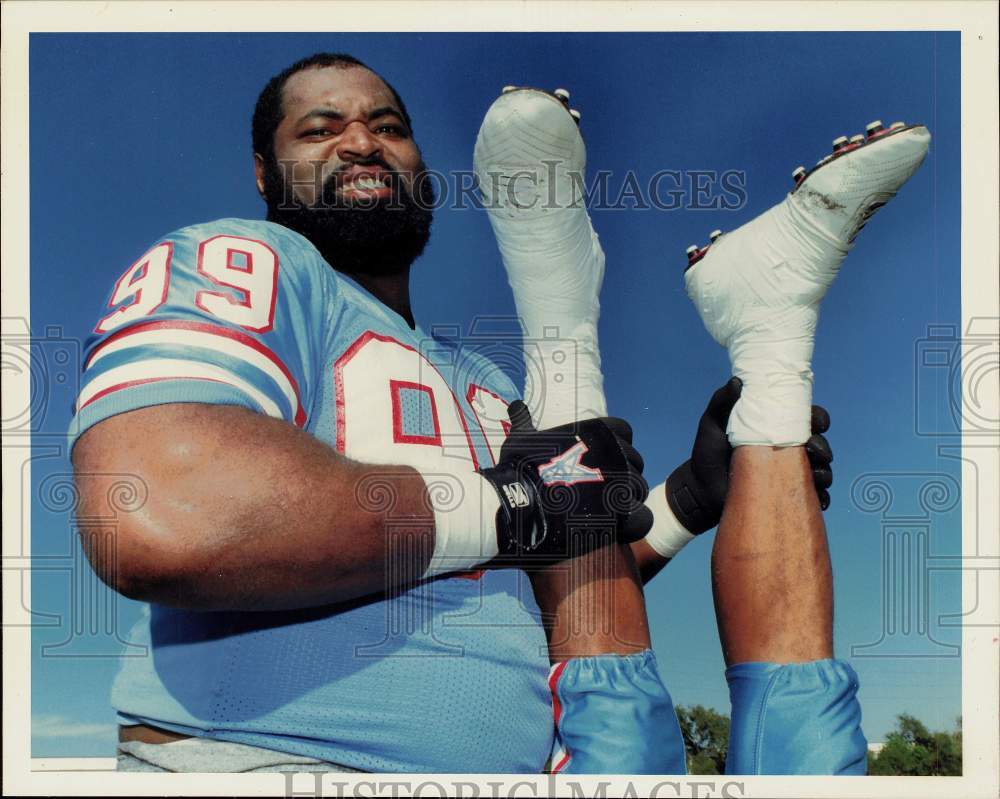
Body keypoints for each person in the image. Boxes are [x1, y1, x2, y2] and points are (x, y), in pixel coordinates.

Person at [68, 51, 842, 774]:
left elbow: (519, 567)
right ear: (265, 173)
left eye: (390, 126)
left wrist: (682, 501)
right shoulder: (242, 261)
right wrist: (516, 501)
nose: (363, 141)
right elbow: (165, 511)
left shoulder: (480, 375)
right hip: (268, 757)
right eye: (321, 127)